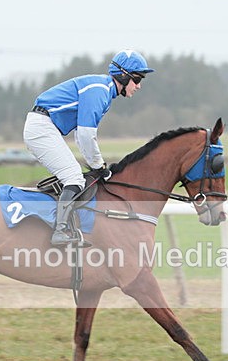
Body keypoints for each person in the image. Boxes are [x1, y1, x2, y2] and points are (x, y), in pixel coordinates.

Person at [23, 50, 155, 245]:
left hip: (44, 126)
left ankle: (63, 223)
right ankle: (60, 231)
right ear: (123, 76)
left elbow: (81, 136)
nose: (139, 85)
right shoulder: (99, 91)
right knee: (74, 177)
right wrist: (99, 166)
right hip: (41, 127)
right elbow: (86, 135)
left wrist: (97, 166)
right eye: (137, 79)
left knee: (74, 175)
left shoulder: (103, 90)